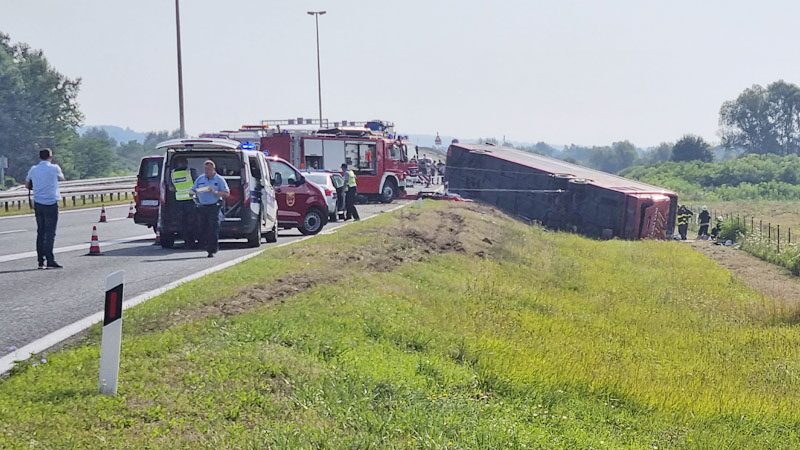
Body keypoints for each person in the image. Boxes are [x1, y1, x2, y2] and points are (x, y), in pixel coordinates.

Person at [25, 148, 66, 269]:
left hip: (38, 203)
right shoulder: (54, 168)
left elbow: (27, 185)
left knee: (40, 232)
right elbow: (62, 178)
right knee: (50, 233)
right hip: (51, 202)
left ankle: (40, 261)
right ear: (50, 156)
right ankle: (50, 259)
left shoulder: (33, 169)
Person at [191, 160, 230, 257]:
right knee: (202, 227)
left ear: (213, 169)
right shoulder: (200, 179)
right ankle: (204, 244)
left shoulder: (219, 179)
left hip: (214, 206)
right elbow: (193, 190)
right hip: (202, 206)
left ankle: (211, 250)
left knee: (213, 228)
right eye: (205, 169)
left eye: (208, 169)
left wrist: (215, 192)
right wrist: (192, 192)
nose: (206, 171)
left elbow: (226, 193)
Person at [169, 157, 198, 247]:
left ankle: (187, 241)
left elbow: (171, 188)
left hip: (179, 201)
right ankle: (193, 240)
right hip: (190, 200)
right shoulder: (190, 172)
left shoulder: (173, 174)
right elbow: (197, 184)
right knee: (193, 222)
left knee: (183, 223)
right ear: (186, 163)